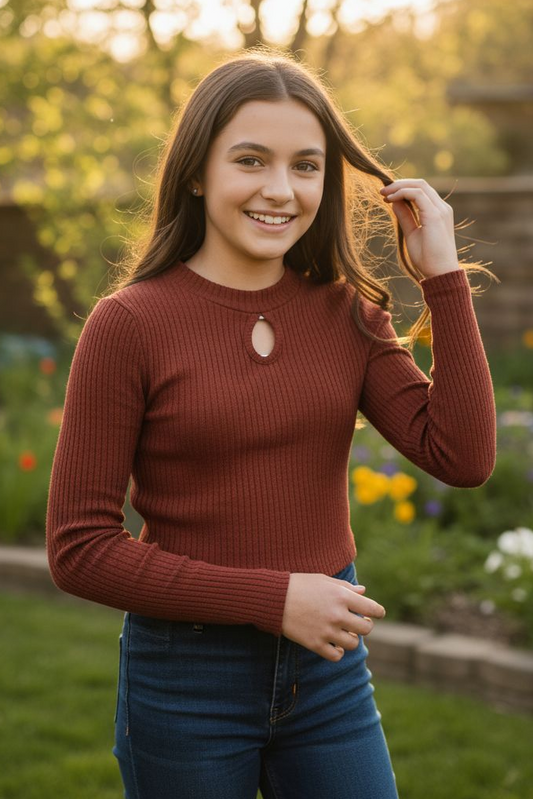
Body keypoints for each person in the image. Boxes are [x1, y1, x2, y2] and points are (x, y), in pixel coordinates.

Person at [46, 46, 497, 799]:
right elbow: (78, 549)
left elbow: (462, 453)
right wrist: (275, 598)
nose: (281, 190)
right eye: (251, 160)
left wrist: (443, 280)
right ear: (197, 171)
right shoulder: (129, 325)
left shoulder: (347, 313)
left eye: (306, 166)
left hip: (328, 676)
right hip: (185, 677)